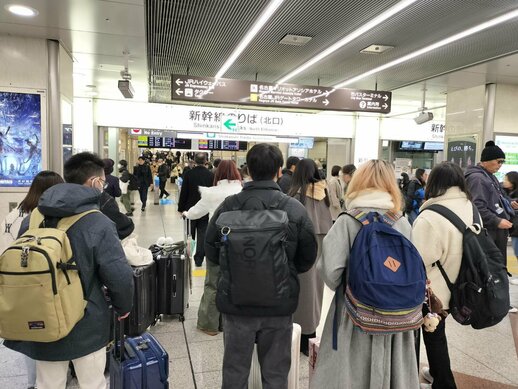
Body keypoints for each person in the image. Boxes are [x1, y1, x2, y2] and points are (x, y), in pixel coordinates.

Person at [4, 152, 134, 389]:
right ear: (96, 182)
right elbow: (118, 273)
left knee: (48, 384)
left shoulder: (33, 218)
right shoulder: (98, 221)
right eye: (103, 181)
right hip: (86, 320)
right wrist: (123, 306)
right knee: (92, 383)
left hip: (41, 314)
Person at [205, 143, 318, 389]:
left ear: (248, 170)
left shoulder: (229, 206)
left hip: (236, 304)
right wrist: (282, 272)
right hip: (278, 305)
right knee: (276, 372)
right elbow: (308, 255)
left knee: (235, 369)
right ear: (280, 170)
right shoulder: (292, 208)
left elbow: (210, 249)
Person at [312, 159, 419, 389]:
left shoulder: (348, 221)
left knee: (349, 373)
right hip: (396, 316)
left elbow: (330, 272)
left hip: (353, 315)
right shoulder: (401, 222)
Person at [0, 170, 64, 389]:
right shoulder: (46, 217)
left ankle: (32, 383)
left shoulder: (14, 213)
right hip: (41, 284)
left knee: (28, 336)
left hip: (14, 285)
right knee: (45, 333)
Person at [412, 162, 471, 389]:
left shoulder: (430, 216)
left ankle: (444, 383)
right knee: (436, 332)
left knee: (427, 334)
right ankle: (436, 373)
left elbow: (418, 259)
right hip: (463, 284)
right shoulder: (470, 207)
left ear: (433, 183)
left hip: (433, 290)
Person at [183, 160, 242, 336]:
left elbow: (195, 212)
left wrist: (185, 213)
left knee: (213, 283)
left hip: (217, 243)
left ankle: (209, 325)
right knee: (233, 282)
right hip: (240, 244)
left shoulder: (211, 193)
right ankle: (227, 323)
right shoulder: (243, 191)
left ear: (218, 174)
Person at [288, 158, 333, 355]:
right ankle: (310, 333)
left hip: (299, 250)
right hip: (320, 249)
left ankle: (296, 335)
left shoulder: (296, 195)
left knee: (299, 291)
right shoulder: (325, 193)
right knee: (316, 291)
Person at [465, 141, 513, 275]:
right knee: (492, 272)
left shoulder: (489, 177)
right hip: (488, 232)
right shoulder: (478, 179)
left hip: (495, 232)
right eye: (498, 161)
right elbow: (477, 207)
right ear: (486, 161)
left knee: (497, 270)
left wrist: (509, 204)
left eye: (502, 162)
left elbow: (497, 199)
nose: (500, 165)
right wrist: (496, 221)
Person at [65, 154, 134, 240]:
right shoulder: (104, 203)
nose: (103, 186)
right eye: (103, 183)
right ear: (96, 181)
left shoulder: (57, 201)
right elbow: (125, 228)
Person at [178, 153, 214, 267]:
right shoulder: (210, 175)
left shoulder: (188, 174)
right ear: (206, 161)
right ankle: (199, 259)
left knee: (189, 235)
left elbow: (184, 192)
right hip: (205, 210)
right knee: (202, 234)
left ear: (194, 161)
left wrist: (181, 209)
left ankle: (188, 256)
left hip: (190, 210)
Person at [503, 171, 518, 286]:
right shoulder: (507, 193)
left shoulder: (514, 196)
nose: (504, 181)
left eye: (506, 179)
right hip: (514, 229)